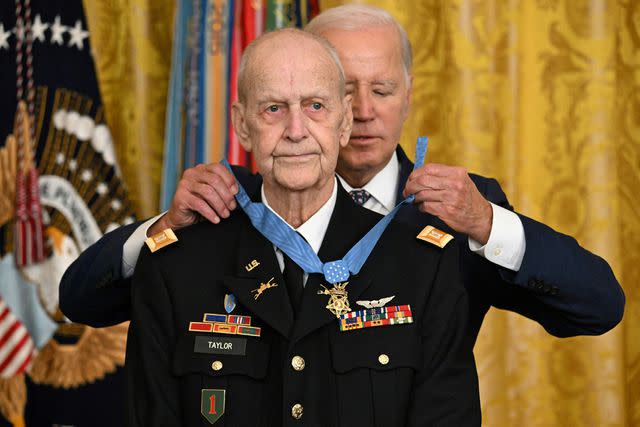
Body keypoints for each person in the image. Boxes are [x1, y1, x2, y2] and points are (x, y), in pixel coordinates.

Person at [60, 5, 624, 344]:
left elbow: (598, 306)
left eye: (382, 90)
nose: (363, 111)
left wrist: (487, 223)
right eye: (340, 92)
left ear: (408, 97)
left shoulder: (456, 209)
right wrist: (163, 225)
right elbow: (83, 301)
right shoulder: (229, 200)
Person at [125, 28, 480, 426]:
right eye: (273, 108)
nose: (296, 131)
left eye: (315, 106)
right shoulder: (175, 267)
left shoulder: (422, 264)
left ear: (344, 121)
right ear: (242, 124)